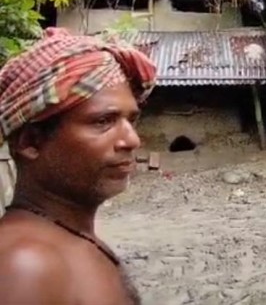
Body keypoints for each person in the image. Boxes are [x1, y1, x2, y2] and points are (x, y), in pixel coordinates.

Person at [0, 27, 157, 305]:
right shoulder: (24, 267)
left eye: (131, 121)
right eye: (103, 121)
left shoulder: (66, 238)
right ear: (31, 142)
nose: (131, 140)